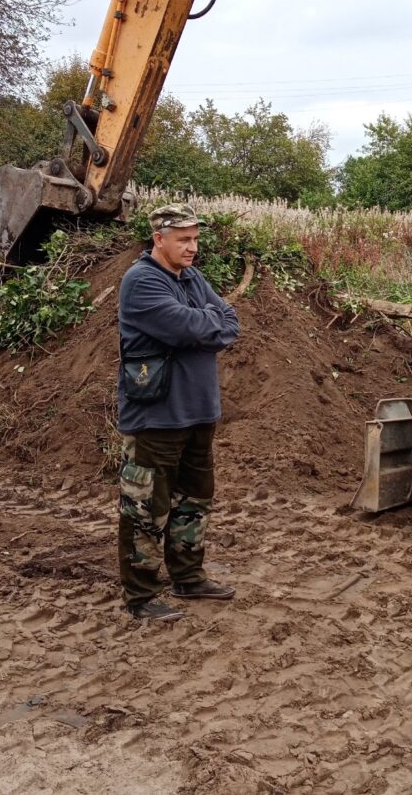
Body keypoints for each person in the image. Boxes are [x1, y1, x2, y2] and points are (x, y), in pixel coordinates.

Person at [117, 203, 240, 622]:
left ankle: (188, 576)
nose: (192, 247)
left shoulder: (192, 277)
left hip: (198, 410)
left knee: (194, 500)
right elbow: (191, 327)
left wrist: (205, 322)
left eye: (195, 238)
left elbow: (229, 323)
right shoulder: (141, 282)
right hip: (157, 414)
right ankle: (142, 595)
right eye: (184, 239)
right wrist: (206, 322)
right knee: (146, 506)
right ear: (159, 239)